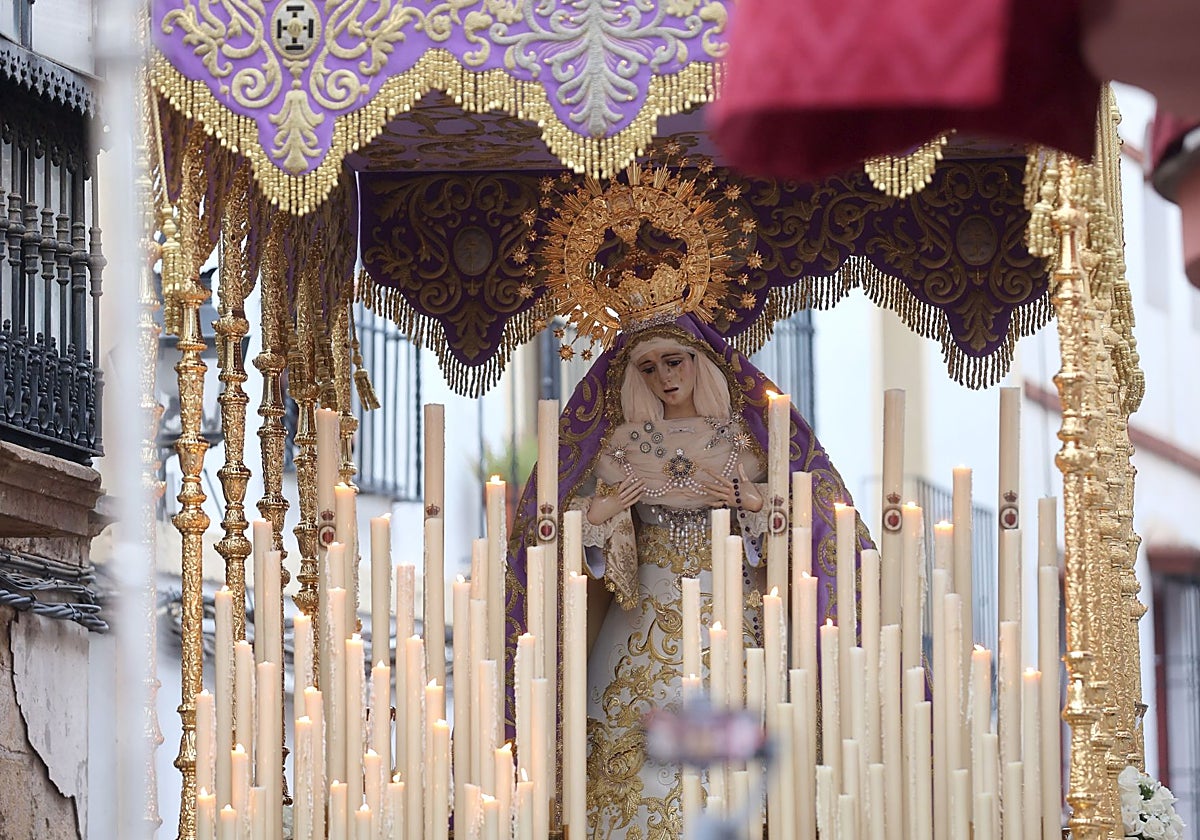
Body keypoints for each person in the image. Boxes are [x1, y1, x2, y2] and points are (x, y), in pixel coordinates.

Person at [506, 313, 870, 839]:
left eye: (674, 362)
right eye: (648, 367)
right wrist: (603, 513)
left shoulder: (746, 443)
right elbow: (557, 526)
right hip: (641, 621)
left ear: (702, 362)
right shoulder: (622, 449)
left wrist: (751, 500)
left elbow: (805, 520)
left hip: (735, 614)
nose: (664, 378)